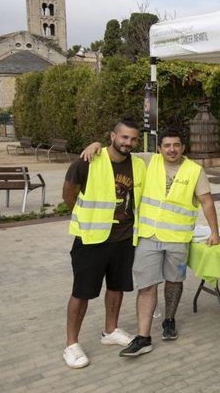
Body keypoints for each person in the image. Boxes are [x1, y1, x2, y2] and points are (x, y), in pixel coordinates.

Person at [77, 129, 220, 358]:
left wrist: (214, 231)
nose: (171, 149)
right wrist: (96, 144)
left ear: (183, 147)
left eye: (176, 145)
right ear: (159, 148)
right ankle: (143, 337)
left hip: (177, 238)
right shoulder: (147, 161)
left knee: (174, 281)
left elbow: (207, 202)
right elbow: (119, 151)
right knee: (147, 285)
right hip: (148, 237)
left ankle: (169, 320)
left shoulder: (195, 171)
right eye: (167, 145)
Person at [62, 119, 147, 369]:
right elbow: (69, 192)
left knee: (117, 287)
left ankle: (110, 330)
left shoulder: (140, 165)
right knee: (82, 292)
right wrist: (84, 218)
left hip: (124, 239)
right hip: (91, 240)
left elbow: (168, 156)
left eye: (133, 139)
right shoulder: (89, 161)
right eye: (124, 138)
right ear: (112, 136)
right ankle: (71, 344)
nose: (128, 143)